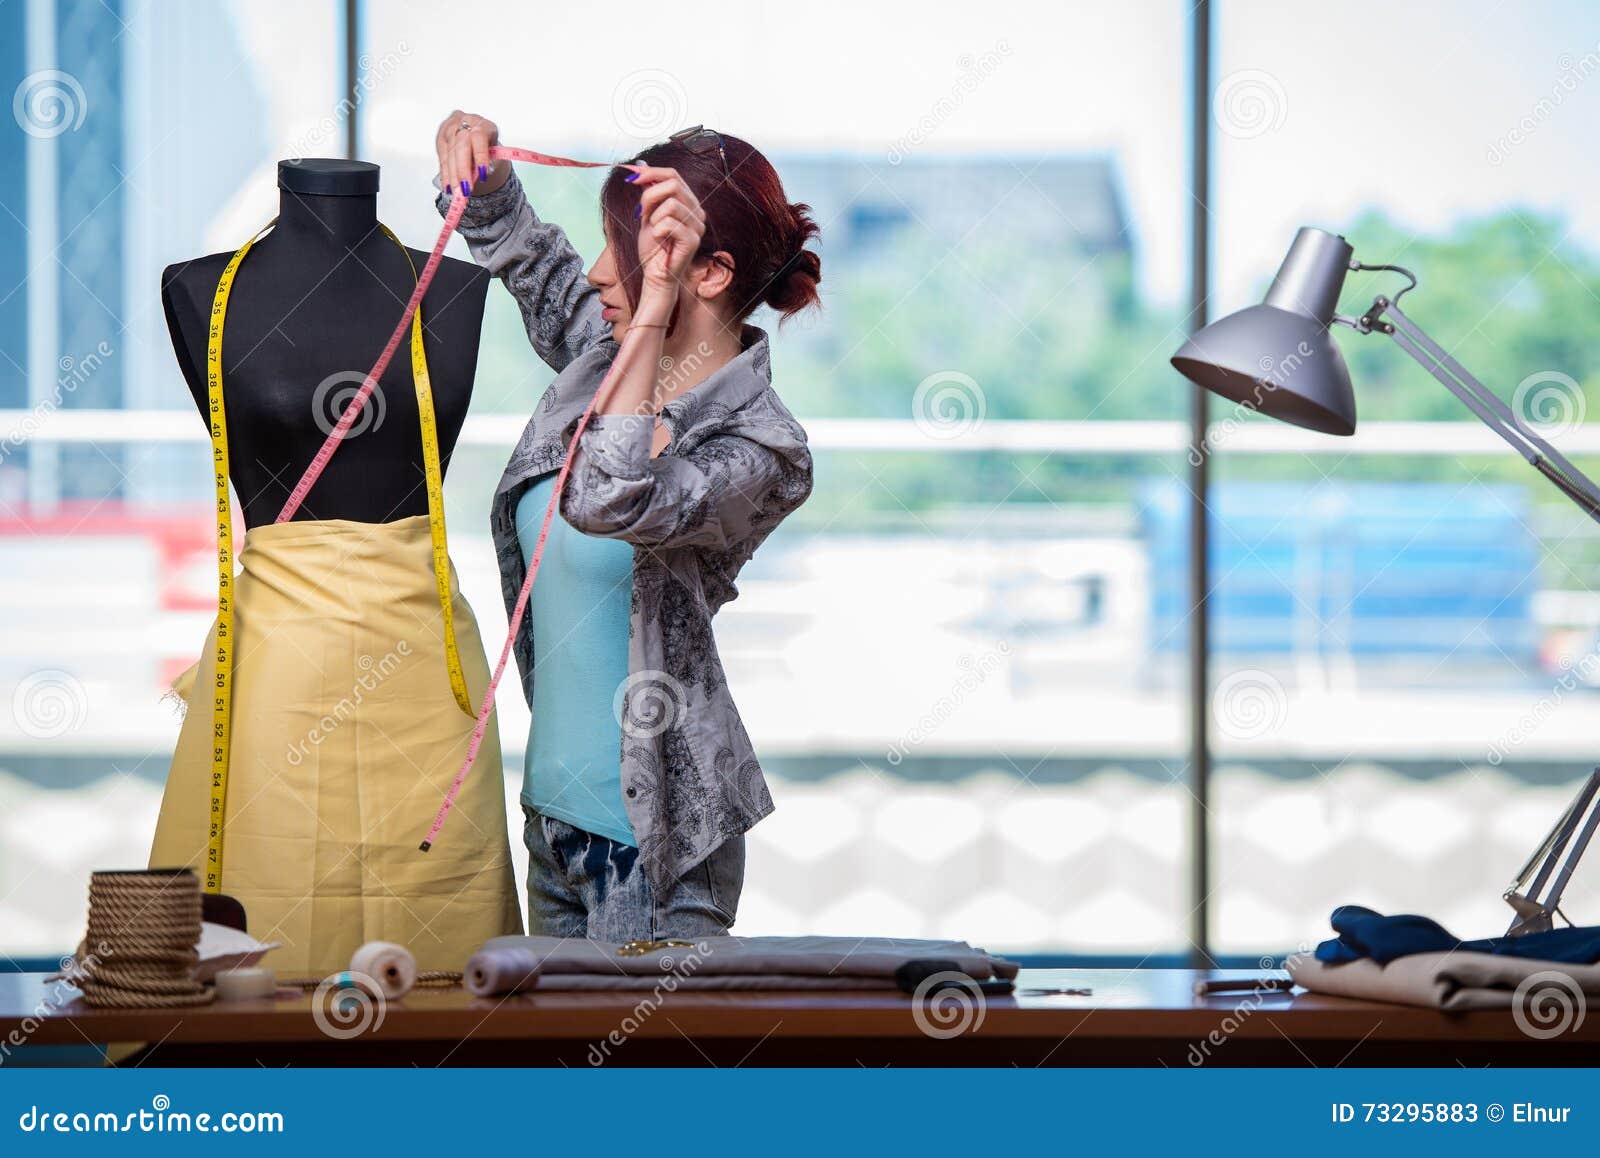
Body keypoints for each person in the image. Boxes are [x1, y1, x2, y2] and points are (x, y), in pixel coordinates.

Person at [434, 112, 820, 940]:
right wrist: (486, 177)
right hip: (553, 825)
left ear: (707, 272)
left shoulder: (765, 449)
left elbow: (609, 496)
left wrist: (648, 317)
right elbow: (536, 264)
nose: (605, 274)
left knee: (636, 1074)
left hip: (657, 847)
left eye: (631, 254)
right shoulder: (601, 362)